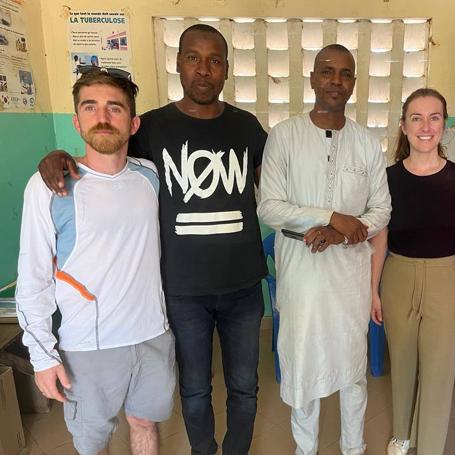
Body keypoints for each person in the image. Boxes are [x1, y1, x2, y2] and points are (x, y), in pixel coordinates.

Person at [36, 24, 267, 455]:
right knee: (195, 389)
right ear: (177, 63)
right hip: (179, 290)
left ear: (227, 71)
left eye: (215, 60)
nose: (203, 69)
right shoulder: (152, 127)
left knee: (245, 386)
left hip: (244, 287)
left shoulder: (247, 127)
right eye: (193, 58)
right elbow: (106, 154)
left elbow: (272, 194)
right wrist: (60, 156)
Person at [16, 70, 175, 455]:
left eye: (114, 108)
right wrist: (42, 356)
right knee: (93, 442)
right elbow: (33, 278)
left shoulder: (149, 176)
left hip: (153, 334)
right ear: (77, 120)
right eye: (91, 107)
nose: (102, 117)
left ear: (133, 122)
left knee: (144, 423)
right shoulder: (49, 186)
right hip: (87, 345)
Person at [257, 44, 391, 455]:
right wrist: (331, 216)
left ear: (353, 83)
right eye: (327, 71)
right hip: (300, 269)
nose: (336, 80)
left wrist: (341, 232)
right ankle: (306, 449)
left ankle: (354, 448)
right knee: (303, 364)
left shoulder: (367, 143)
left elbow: (381, 209)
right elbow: (270, 206)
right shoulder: (284, 136)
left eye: (345, 73)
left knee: (351, 369)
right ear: (312, 78)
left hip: (348, 271)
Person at [369, 89, 455, 455]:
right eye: (416, 118)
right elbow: (380, 237)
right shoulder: (387, 178)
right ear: (403, 126)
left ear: (445, 124)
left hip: (446, 279)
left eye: (434, 117)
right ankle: (401, 435)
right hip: (397, 276)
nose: (425, 127)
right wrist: (373, 289)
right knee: (403, 361)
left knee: (439, 371)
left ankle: (429, 447)